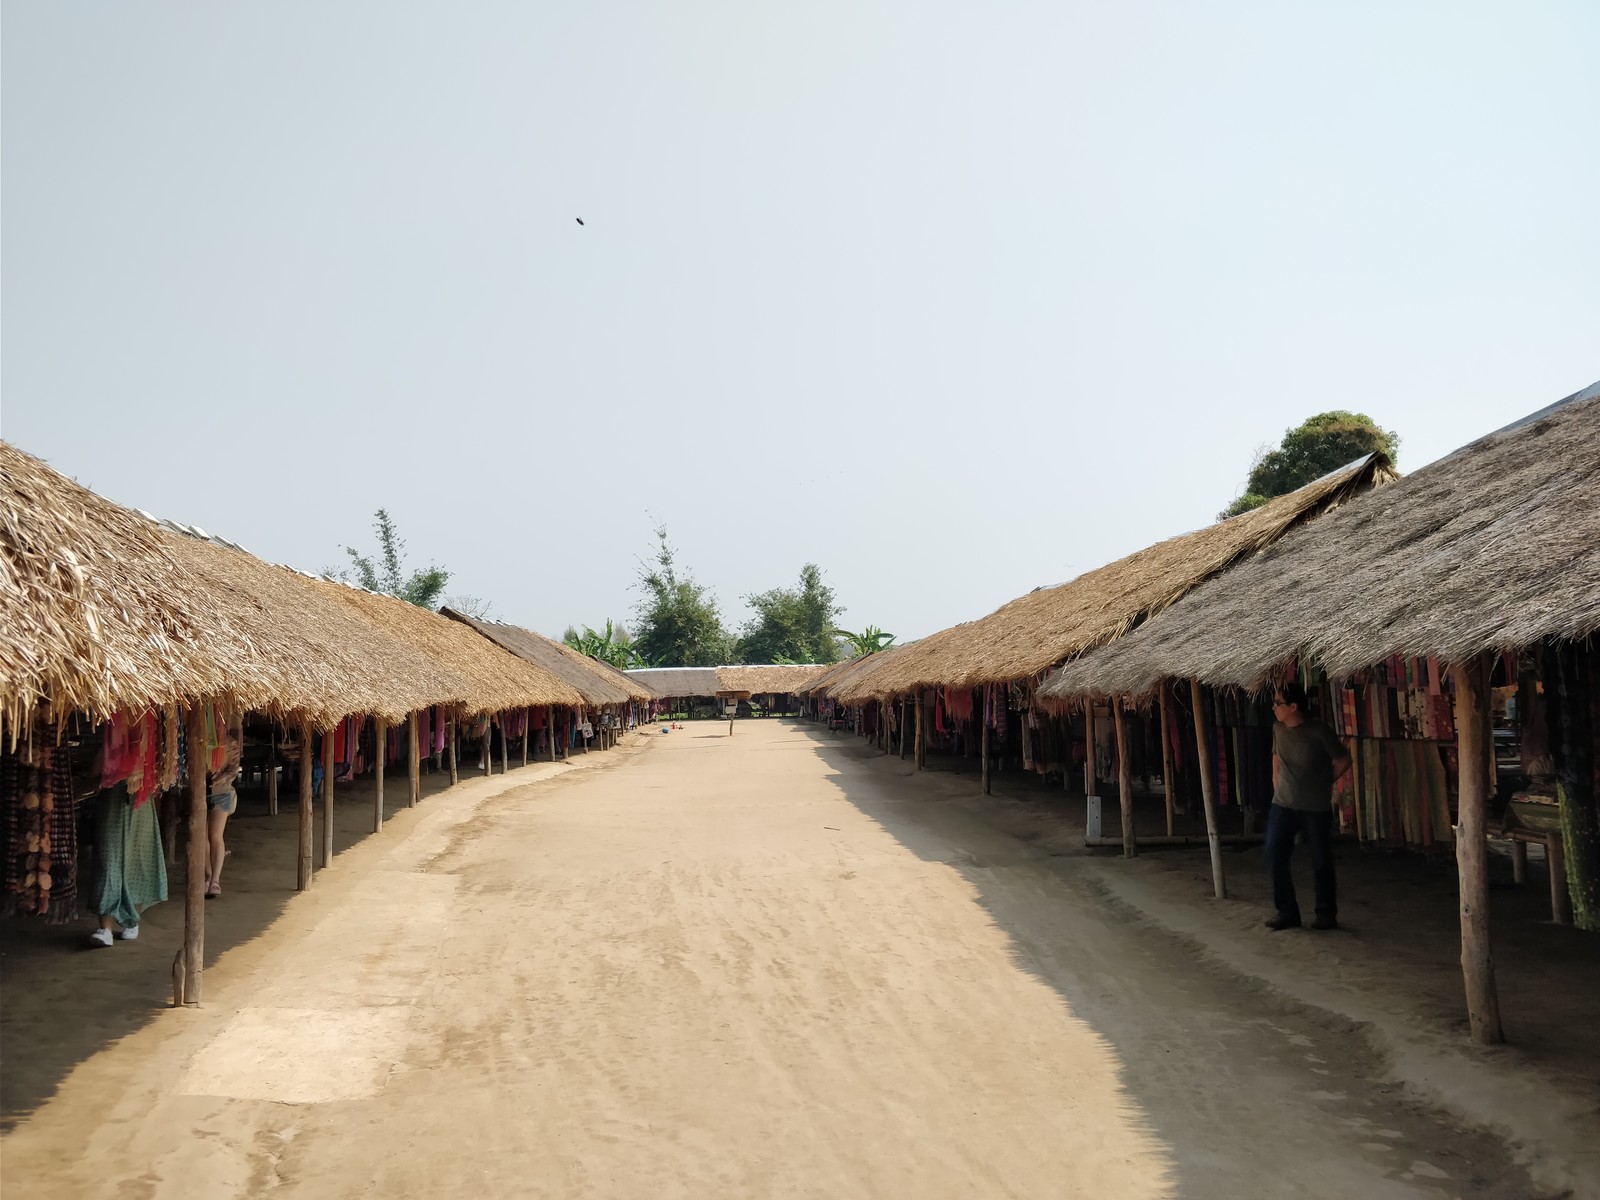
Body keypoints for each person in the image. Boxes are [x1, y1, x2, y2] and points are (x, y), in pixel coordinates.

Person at [1264, 680, 1352, 931]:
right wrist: (1276, 783)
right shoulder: (1278, 729)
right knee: (1274, 855)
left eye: (1278, 703)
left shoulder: (1318, 731)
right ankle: (1287, 912)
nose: (1274, 708)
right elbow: (1275, 756)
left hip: (1314, 807)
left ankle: (1325, 914)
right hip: (1283, 803)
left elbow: (1344, 759)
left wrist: (1325, 781)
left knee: (1320, 860)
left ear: (1293, 706)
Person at [87, 789, 167, 947]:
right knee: (109, 862)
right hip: (116, 800)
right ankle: (106, 929)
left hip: (138, 800)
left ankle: (131, 921)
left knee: (136, 862)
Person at [205, 712, 243, 899]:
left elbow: (234, 768)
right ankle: (208, 876)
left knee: (214, 836)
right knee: (202, 838)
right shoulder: (198, 741)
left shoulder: (230, 742)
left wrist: (217, 780)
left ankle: (215, 880)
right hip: (203, 794)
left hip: (222, 793)